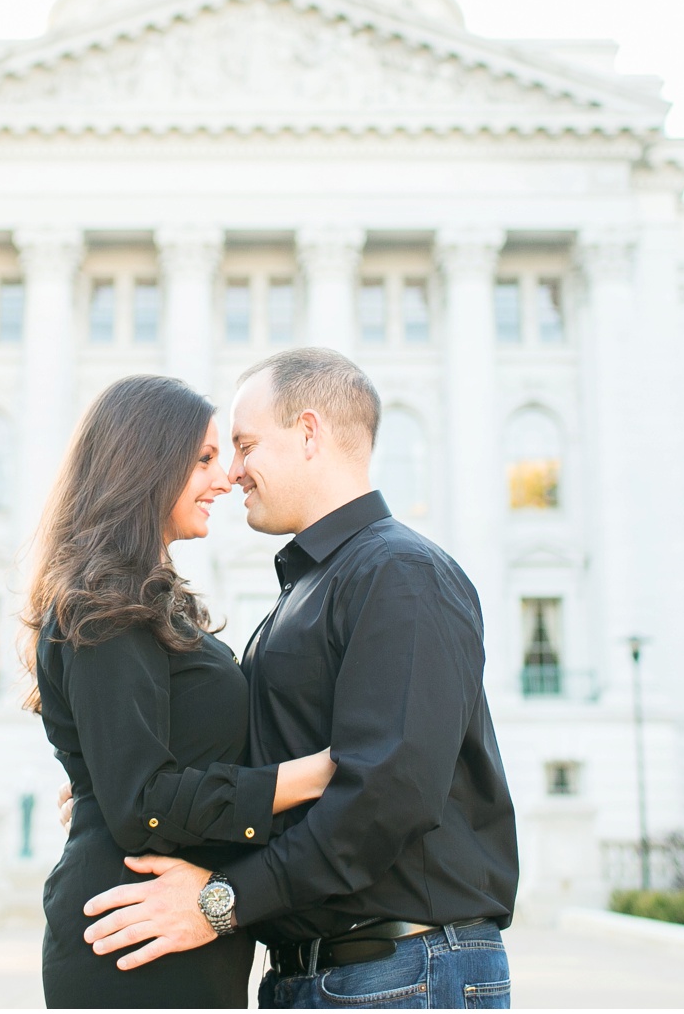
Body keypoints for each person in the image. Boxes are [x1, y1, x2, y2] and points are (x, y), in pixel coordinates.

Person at [75, 348, 519, 1009]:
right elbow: (271, 762)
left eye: (246, 444)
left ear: (309, 433)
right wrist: (127, 773)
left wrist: (223, 902)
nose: (233, 471)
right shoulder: (318, 586)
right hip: (335, 973)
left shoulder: (399, 573)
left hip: (399, 970)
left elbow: (386, 794)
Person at [24, 373, 337, 1008]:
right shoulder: (105, 600)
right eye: (203, 459)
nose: (225, 479)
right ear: (144, 465)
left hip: (167, 926)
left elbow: (140, 772)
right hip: (134, 935)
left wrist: (102, 781)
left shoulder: (143, 595)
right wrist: (327, 771)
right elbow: (143, 801)